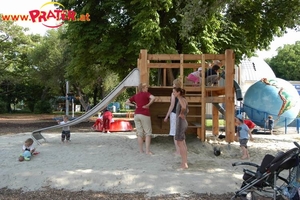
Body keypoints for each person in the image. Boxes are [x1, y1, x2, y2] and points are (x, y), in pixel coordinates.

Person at [125, 83, 155, 155]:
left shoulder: (136, 95)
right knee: (148, 133)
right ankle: (147, 151)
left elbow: (127, 102)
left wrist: (134, 105)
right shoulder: (146, 94)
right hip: (144, 114)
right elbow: (153, 97)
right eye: (146, 87)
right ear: (143, 88)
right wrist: (148, 105)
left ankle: (141, 150)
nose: (147, 88)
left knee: (139, 133)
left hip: (137, 114)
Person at [164, 79, 181, 155]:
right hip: (180, 114)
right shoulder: (181, 93)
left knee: (174, 133)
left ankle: (178, 151)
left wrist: (167, 115)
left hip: (174, 113)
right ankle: (181, 149)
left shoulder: (173, 93)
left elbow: (172, 105)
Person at [173, 87, 189, 169]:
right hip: (183, 122)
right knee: (182, 143)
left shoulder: (180, 99)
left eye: (174, 92)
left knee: (180, 143)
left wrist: (181, 114)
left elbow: (183, 107)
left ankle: (184, 163)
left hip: (180, 122)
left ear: (178, 92)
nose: (173, 93)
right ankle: (184, 162)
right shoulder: (184, 99)